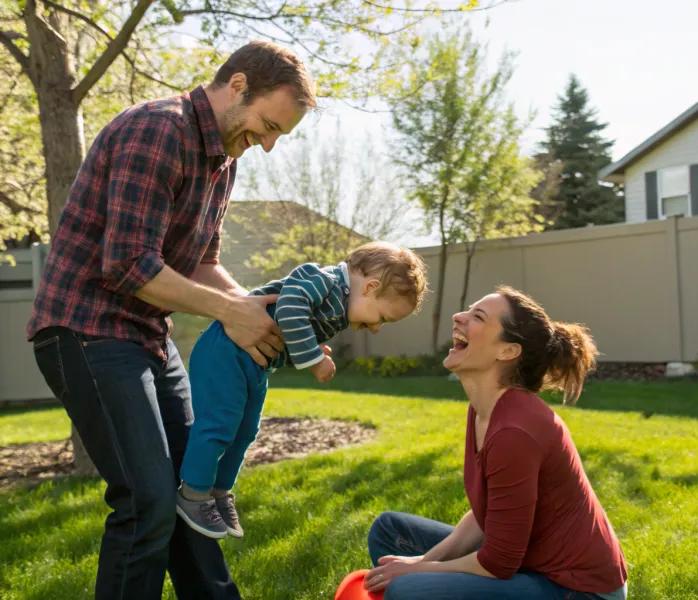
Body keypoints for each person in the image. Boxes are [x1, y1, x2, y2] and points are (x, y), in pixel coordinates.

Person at [26, 40, 315, 600]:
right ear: (236, 86)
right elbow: (129, 264)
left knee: (192, 491)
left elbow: (199, 262)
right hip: (84, 328)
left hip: (144, 336)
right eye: (269, 125)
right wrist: (231, 312)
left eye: (282, 133)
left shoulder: (223, 159)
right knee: (146, 499)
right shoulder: (159, 130)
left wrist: (256, 308)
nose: (271, 145)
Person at [364, 286, 628, 600]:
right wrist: (422, 560)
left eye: (477, 317)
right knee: (389, 531)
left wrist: (417, 571)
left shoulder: (515, 431)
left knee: (406, 590)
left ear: (507, 351)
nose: (458, 317)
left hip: (576, 589)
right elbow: (485, 515)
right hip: (529, 562)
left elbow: (498, 563)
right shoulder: (483, 409)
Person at [177, 242, 428, 539]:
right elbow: (290, 306)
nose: (376, 328)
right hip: (225, 350)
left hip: (254, 362)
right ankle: (193, 494)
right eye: (383, 318)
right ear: (370, 287)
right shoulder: (324, 280)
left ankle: (219, 492)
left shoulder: (339, 303)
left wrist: (308, 344)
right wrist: (314, 359)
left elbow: (288, 326)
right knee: (219, 424)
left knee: (245, 431)